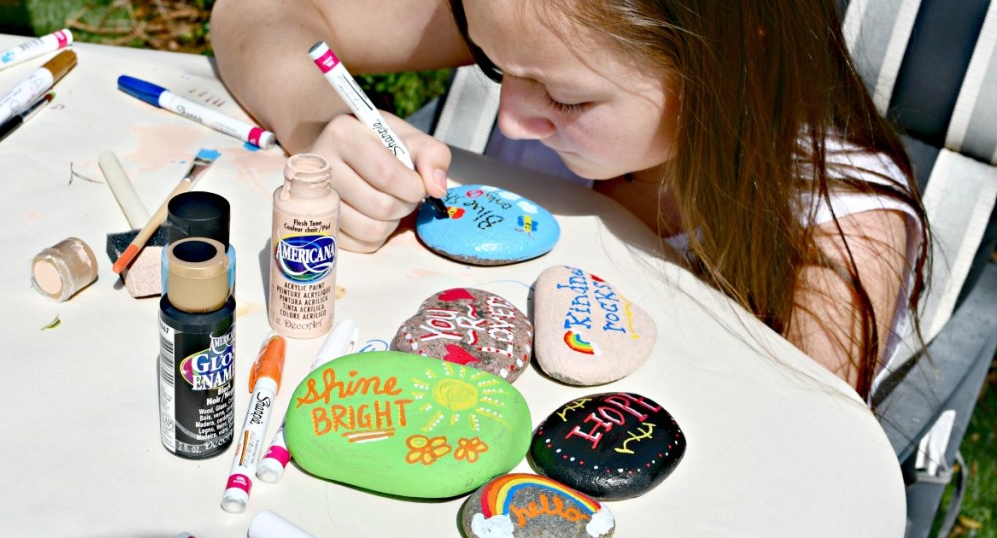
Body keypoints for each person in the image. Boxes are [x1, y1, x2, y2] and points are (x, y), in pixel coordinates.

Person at [209, 0, 930, 402]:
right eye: (492, 64)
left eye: (567, 97)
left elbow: (797, 474)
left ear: (727, 64)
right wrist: (320, 123)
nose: (513, 119)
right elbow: (255, 12)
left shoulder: (841, 234)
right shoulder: (541, 17)